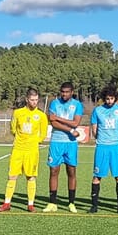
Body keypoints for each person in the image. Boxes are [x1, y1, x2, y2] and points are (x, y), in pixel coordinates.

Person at [0, 88, 48, 212]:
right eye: (32, 100)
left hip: (32, 151)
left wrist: (35, 141)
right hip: (18, 149)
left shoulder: (41, 116)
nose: (34, 102)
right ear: (27, 99)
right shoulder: (17, 113)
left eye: (36, 100)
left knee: (31, 176)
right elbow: (13, 129)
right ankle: (7, 203)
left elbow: (43, 133)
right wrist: (20, 139)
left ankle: (30, 204)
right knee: (12, 176)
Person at [87, 87, 118, 214]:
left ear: (115, 98)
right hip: (102, 147)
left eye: (112, 98)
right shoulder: (98, 110)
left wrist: (116, 140)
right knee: (97, 176)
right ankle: (94, 206)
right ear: (104, 99)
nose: (109, 101)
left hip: (116, 147)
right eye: (107, 99)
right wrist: (102, 140)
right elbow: (94, 129)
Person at [44, 82, 84, 213]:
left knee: (71, 171)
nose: (64, 94)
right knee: (53, 171)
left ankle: (71, 203)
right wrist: (70, 130)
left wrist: (58, 118)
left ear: (72, 92)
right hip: (56, 141)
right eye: (62, 92)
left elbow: (76, 122)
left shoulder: (77, 105)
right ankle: (52, 202)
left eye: (67, 92)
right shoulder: (54, 103)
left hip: (70, 143)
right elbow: (53, 123)